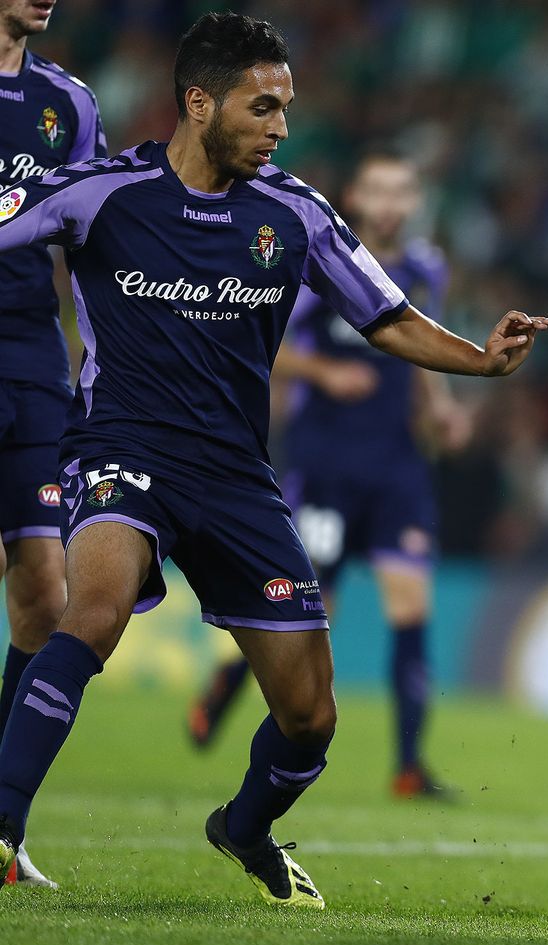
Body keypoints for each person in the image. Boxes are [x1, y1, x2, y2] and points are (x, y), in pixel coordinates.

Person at [0, 11, 547, 908]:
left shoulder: (294, 212)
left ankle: (244, 827)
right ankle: (5, 827)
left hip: (236, 478)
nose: (281, 127)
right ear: (199, 103)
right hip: (121, 450)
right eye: (262, 107)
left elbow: (388, 317)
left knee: (310, 714)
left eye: (285, 107)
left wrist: (482, 360)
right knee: (90, 609)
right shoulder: (102, 192)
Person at [184, 150, 469, 800]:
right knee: (309, 613)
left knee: (411, 606)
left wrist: (442, 408)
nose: (389, 204)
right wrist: (324, 372)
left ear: (414, 202)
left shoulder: (425, 270)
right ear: (356, 198)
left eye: (401, 191)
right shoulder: (320, 262)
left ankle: (408, 766)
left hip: (397, 467)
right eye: (378, 190)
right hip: (327, 466)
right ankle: (227, 685)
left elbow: (420, 349)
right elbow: (262, 344)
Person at [0, 0, 104, 889]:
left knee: (45, 591)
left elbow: (86, 232)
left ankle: (1, 827)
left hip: (34, 357)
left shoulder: (68, 103)